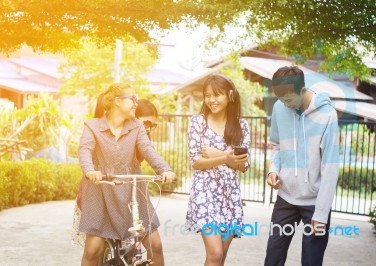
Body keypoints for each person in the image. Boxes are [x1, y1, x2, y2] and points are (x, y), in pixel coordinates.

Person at [78, 83, 175, 266]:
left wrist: (165, 169)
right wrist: (90, 170)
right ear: (116, 102)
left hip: (132, 190)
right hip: (101, 190)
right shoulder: (92, 126)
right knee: (93, 249)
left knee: (155, 245)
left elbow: (147, 150)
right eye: (132, 99)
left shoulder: (136, 126)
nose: (136, 103)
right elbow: (85, 150)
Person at [265, 66, 339, 266]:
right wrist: (274, 170)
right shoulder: (280, 107)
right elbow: (277, 145)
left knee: (311, 261)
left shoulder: (327, 115)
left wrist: (322, 214)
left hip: (315, 202)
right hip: (286, 197)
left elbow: (330, 167)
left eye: (288, 99)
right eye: (280, 100)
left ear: (302, 89)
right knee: (272, 258)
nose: (285, 105)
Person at [185, 73, 250, 266]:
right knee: (214, 254)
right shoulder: (198, 123)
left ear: (230, 95)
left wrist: (215, 154)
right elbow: (195, 162)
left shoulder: (241, 126)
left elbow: (243, 165)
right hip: (204, 193)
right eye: (207, 95)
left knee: (221, 256)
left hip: (230, 195)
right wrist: (226, 157)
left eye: (217, 95)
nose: (211, 100)